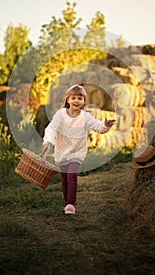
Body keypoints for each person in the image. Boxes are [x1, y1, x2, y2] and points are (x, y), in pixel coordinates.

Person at [41, 84, 116, 214]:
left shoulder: (85, 117)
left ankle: (71, 203)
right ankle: (66, 203)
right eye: (74, 98)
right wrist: (48, 141)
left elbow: (97, 127)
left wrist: (105, 125)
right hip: (62, 151)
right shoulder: (60, 114)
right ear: (68, 100)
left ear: (83, 102)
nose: (76, 101)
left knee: (71, 175)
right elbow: (52, 128)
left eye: (80, 98)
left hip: (77, 152)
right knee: (64, 178)